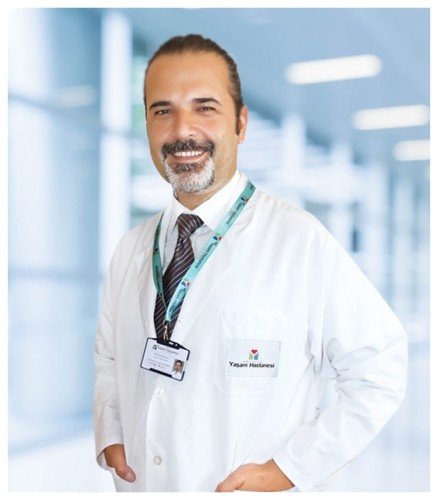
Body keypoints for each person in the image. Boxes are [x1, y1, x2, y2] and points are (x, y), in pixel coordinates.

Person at [93, 34, 408, 492]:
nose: (182, 130)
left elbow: (379, 370)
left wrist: (292, 468)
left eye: (204, 108)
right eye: (163, 111)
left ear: (240, 124)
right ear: (146, 124)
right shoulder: (132, 248)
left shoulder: (299, 241)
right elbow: (108, 357)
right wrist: (111, 432)